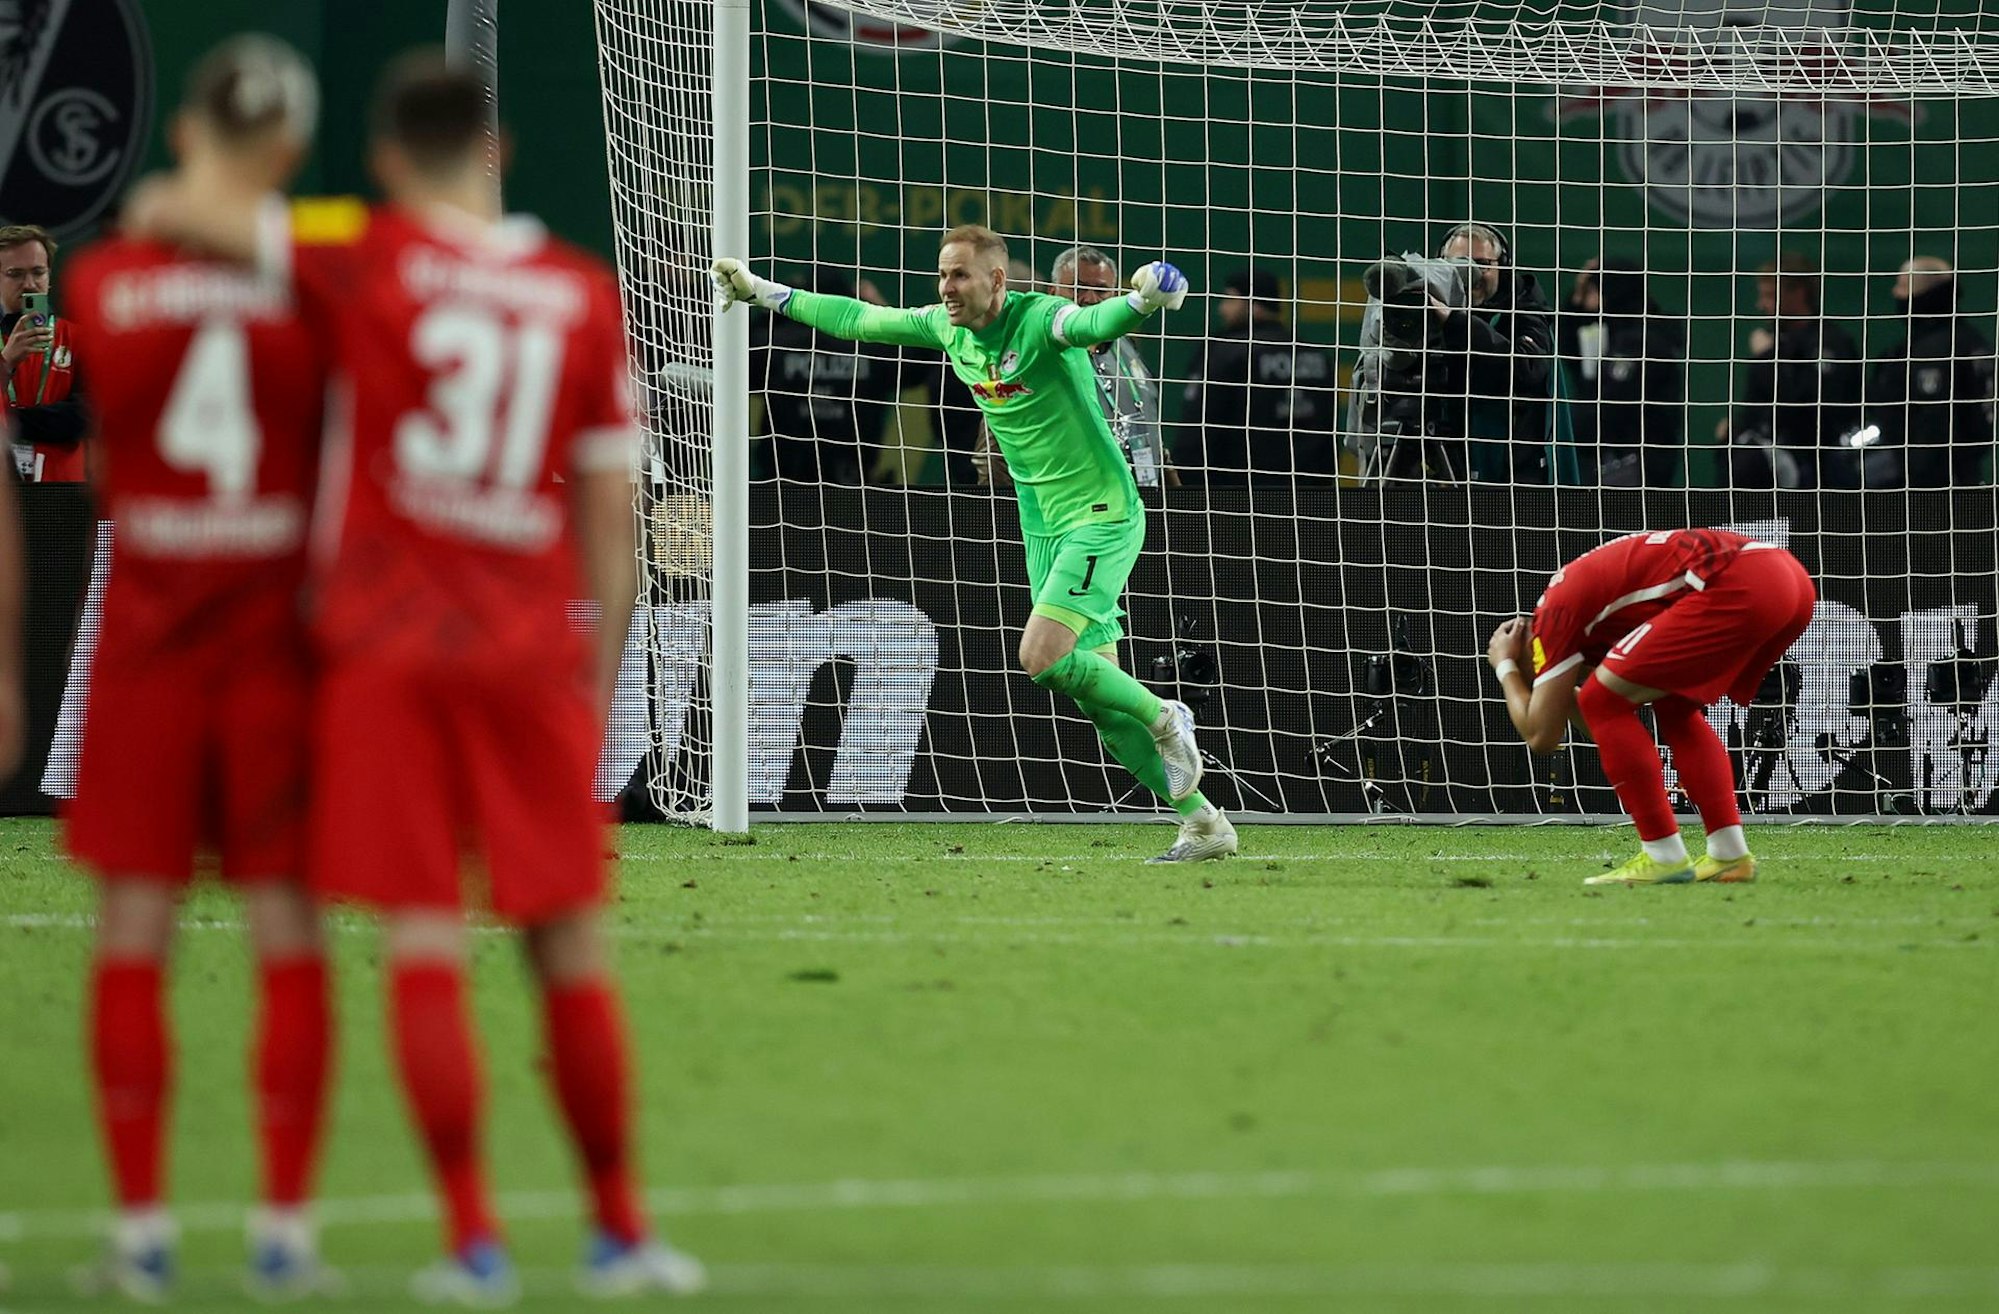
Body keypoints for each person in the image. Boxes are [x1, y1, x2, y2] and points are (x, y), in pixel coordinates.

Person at [131, 51, 704, 1301]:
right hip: (524, 663)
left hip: (385, 660)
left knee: (427, 944)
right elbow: (612, 532)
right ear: (495, 160)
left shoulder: (365, 257)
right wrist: (590, 693)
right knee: (566, 948)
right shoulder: (577, 293)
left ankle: (474, 1244)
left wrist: (187, 201)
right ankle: (618, 1232)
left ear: (388, 161)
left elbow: (186, 215)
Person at [60, 38, 334, 1301]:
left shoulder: (107, 285)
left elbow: (107, 464)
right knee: (289, 934)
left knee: (134, 933)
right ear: (286, 151)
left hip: (149, 652)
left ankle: (141, 1233)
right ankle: (284, 1234)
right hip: (276, 652)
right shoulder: (320, 285)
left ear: (182, 132)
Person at [713, 225, 1236, 862]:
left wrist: (1145, 303)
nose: (947, 287)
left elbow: (1089, 324)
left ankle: (1165, 718)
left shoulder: (1039, 318)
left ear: (997, 279)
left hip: (1102, 513)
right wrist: (763, 292)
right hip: (1042, 522)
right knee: (1097, 700)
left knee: (1042, 657)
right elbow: (859, 319)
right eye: (942, 274)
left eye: (960, 275)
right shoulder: (946, 327)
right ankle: (1204, 823)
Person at [1487, 527, 1816, 886]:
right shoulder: (1594, 616)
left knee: (1602, 698)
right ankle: (1729, 854)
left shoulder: (1553, 617)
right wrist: (1570, 697)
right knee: (1673, 706)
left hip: (1737, 581)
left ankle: (1663, 855)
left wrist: (1505, 668)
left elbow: (1540, 734)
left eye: (1534, 683)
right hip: (1788, 579)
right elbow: (1604, 728)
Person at [982, 245, 1177, 489]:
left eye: (1101, 290)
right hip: (1072, 508)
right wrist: (999, 515)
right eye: (1078, 287)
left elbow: (1150, 434)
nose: (1089, 298)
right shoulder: (1032, 354)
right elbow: (993, 451)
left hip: (1142, 504)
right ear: (1052, 293)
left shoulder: (1127, 348)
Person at [1175, 267, 1337, 488]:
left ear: (1253, 303)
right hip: (1307, 498)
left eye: (1230, 299)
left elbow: (1197, 431)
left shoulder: (1225, 352)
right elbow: (1329, 437)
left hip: (1240, 497)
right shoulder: (1315, 356)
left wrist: (1186, 491)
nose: (1222, 309)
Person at [1720, 253, 1863, 489]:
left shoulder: (1830, 344)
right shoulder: (1773, 339)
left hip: (1816, 471)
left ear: (1798, 293)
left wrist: (1767, 358)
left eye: (1770, 296)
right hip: (1764, 469)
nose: (1761, 305)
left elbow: (1809, 411)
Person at [754, 267, 904, 485]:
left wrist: (774, 314)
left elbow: (739, 369)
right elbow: (914, 365)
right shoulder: (873, 343)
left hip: (781, 481)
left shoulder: (772, 341)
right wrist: (880, 309)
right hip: (852, 482)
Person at [1866, 257, 1996, 488]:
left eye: (1904, 286)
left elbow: (1936, 424)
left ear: (1927, 294)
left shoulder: (1937, 349)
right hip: (1954, 472)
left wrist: (1917, 473)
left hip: (1930, 482)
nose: (1896, 293)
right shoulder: (1968, 340)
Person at [1558, 256, 1686, 487]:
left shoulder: (1644, 342)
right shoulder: (1616, 333)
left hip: (1635, 468)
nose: (1589, 298)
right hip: (1613, 461)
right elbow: (1571, 353)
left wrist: (1562, 431)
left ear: (1611, 292)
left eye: (1594, 289)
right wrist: (1575, 300)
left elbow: (1611, 408)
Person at [0, 223, 88, 481]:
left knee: (103, 525)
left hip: (60, 492)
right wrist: (6, 362)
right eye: (14, 274)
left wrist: (11, 421)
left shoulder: (79, 338)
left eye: (38, 272)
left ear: (49, 276)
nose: (29, 284)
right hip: (4, 495)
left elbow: (86, 417)